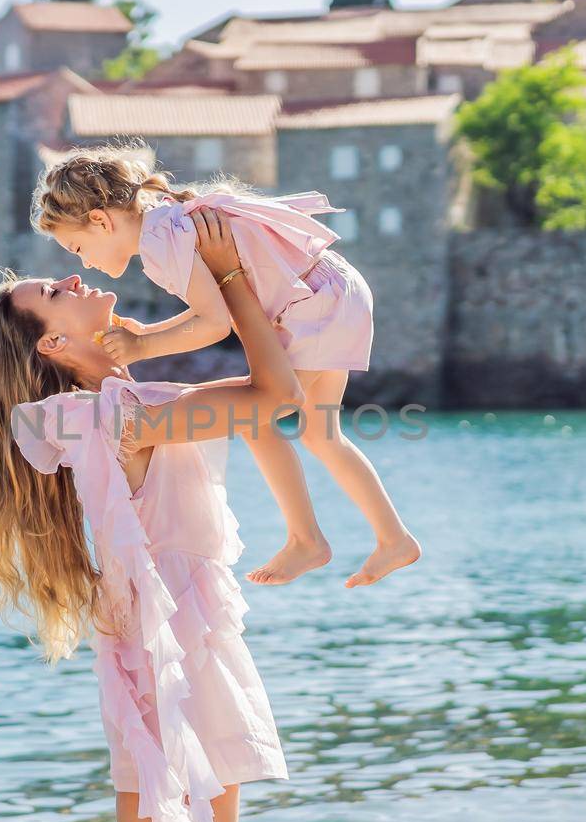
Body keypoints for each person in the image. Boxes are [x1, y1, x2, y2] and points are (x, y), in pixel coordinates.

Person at [0, 208, 299, 822]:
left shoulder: (97, 414)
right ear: (55, 342)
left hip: (159, 645)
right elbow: (277, 396)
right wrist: (228, 271)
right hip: (178, 652)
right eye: (56, 286)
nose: (75, 274)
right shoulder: (127, 416)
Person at [32, 145, 420, 588]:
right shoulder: (165, 223)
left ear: (101, 220)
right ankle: (393, 538)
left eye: (79, 247)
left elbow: (214, 325)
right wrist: (149, 334)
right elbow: (213, 307)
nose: (84, 262)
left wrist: (142, 348)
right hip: (331, 289)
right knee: (319, 432)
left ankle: (307, 539)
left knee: (257, 414)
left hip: (311, 305)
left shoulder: (160, 245)